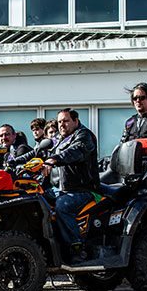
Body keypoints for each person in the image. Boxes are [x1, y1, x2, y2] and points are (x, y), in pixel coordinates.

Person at [41, 109, 99, 264]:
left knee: (63, 206)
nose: (62, 125)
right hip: (59, 188)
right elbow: (37, 152)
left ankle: (77, 247)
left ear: (76, 121)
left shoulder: (84, 136)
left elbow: (75, 152)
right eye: (59, 122)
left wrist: (54, 160)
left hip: (81, 189)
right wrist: (14, 162)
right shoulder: (59, 138)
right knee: (36, 198)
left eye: (65, 121)